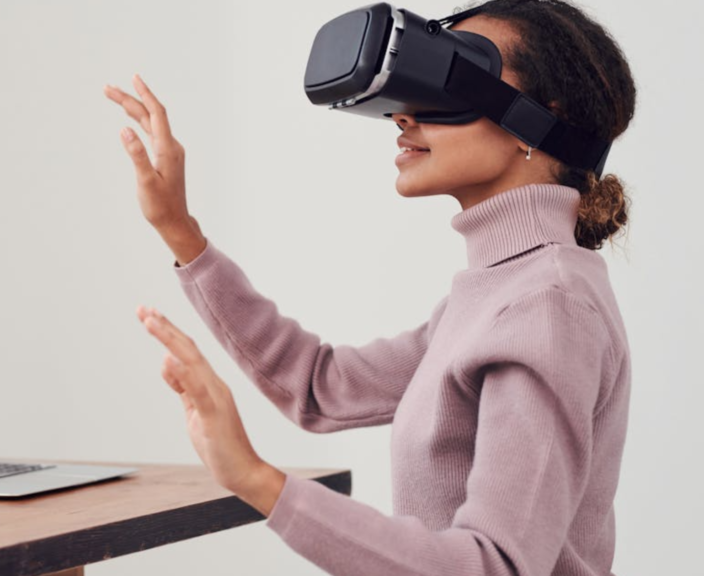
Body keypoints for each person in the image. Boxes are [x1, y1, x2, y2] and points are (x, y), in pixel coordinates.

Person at [104, 0, 635, 574]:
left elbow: (495, 566)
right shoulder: (501, 291)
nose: (402, 116)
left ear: (535, 120)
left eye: (452, 77)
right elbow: (321, 387)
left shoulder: (546, 306)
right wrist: (180, 232)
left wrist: (256, 480)